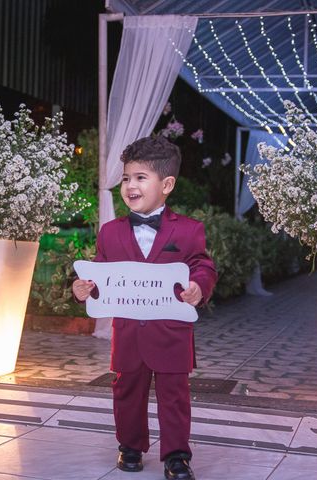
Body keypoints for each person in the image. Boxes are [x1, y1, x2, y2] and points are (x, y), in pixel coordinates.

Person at [72, 136, 217, 480]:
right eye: (126, 178)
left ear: (166, 184)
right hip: (128, 334)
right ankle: (130, 445)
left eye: (140, 178)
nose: (130, 185)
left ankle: (177, 456)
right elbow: (101, 273)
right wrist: (85, 289)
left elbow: (203, 265)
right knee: (126, 392)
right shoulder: (110, 232)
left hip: (171, 333)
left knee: (175, 397)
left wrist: (199, 286)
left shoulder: (189, 229)